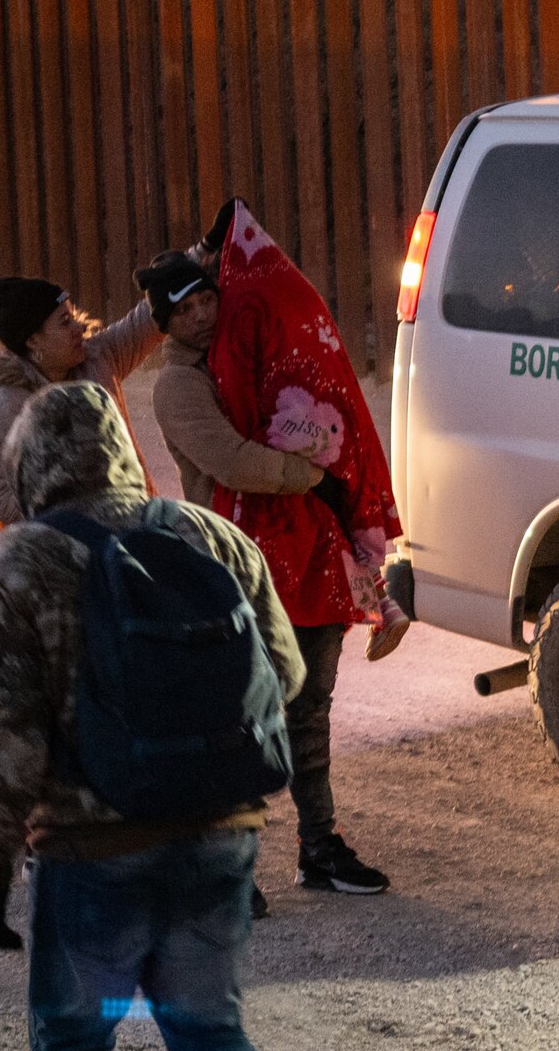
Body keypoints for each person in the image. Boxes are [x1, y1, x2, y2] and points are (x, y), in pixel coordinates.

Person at [0, 377, 357, 1051]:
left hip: (96, 855)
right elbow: (288, 676)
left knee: (73, 1050)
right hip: (222, 838)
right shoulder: (209, 537)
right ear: (123, 451)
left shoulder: (17, 565)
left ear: (28, 463)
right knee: (210, 1037)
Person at [158, 205, 413, 896]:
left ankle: (319, 847)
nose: (204, 313)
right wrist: (318, 469)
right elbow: (238, 463)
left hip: (308, 556)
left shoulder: (252, 344)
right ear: (166, 322)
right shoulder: (179, 384)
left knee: (310, 712)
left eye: (209, 297)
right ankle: (225, 864)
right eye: (186, 308)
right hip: (239, 562)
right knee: (244, 718)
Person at [0, 272, 158, 531]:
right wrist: (63, 514)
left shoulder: (96, 359)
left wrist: (198, 256)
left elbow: (145, 321)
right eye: (65, 322)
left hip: (139, 522)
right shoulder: (6, 400)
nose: (79, 329)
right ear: (33, 340)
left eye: (74, 318)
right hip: (72, 549)